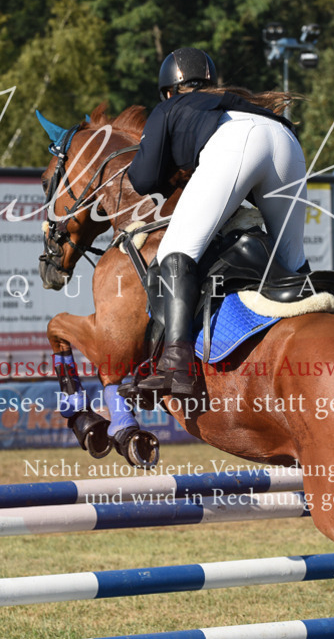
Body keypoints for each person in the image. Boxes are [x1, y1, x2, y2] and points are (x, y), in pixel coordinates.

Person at [127, 47, 310, 399]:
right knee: (291, 261)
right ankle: (323, 324)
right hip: (285, 140)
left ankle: (177, 364)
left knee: (175, 253)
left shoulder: (169, 107)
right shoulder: (232, 101)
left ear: (168, 91)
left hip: (237, 144)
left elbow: (143, 179)